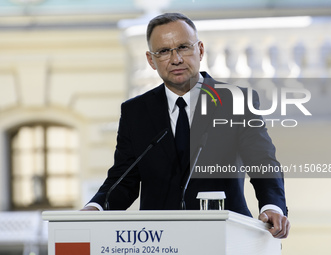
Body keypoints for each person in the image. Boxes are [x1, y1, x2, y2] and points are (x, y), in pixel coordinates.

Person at [81, 12, 290, 239]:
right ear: (151, 60)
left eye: (183, 47)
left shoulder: (235, 101)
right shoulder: (135, 112)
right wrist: (96, 208)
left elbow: (263, 162)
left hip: (225, 237)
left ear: (200, 50)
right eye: (163, 51)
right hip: (157, 241)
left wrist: (272, 206)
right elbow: (123, 179)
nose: (176, 59)